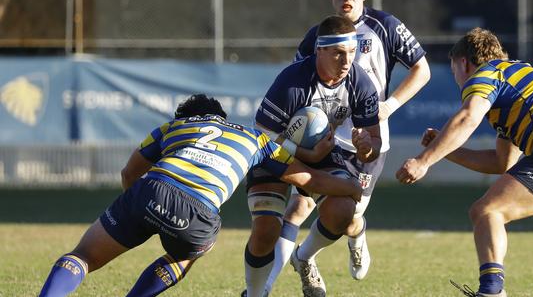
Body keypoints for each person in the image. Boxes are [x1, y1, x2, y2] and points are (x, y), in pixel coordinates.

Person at [39, 94, 362, 297]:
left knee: (82, 256)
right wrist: (351, 186)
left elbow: (128, 174)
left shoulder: (173, 127)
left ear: (188, 117)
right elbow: (310, 179)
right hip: (198, 213)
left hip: (150, 190)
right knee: (185, 255)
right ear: (220, 117)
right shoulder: (254, 138)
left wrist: (140, 213)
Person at [396, 28, 533, 297]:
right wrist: (445, 150)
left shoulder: (487, 73)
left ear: (464, 63)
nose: (457, 78)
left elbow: (468, 117)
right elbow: (502, 163)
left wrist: (424, 161)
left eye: (454, 68)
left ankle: (492, 291)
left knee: (487, 211)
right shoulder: (519, 82)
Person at [258, 0, 431, 296]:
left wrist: (388, 107)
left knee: (346, 218)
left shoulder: (386, 26)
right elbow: (298, 92)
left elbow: (422, 69)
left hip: (366, 142)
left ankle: (340, 241)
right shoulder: (318, 36)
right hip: (321, 138)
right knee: (297, 207)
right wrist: (305, 140)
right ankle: (270, 284)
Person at [244, 15, 381, 297]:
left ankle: (304, 257)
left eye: (352, 53)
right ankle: (255, 294)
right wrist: (306, 152)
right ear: (319, 49)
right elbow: (264, 135)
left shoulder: (361, 83)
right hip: (273, 152)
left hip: (320, 153)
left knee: (344, 211)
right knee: (266, 230)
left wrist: (366, 144)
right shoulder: (293, 81)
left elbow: (374, 143)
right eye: (338, 53)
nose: (346, 62)